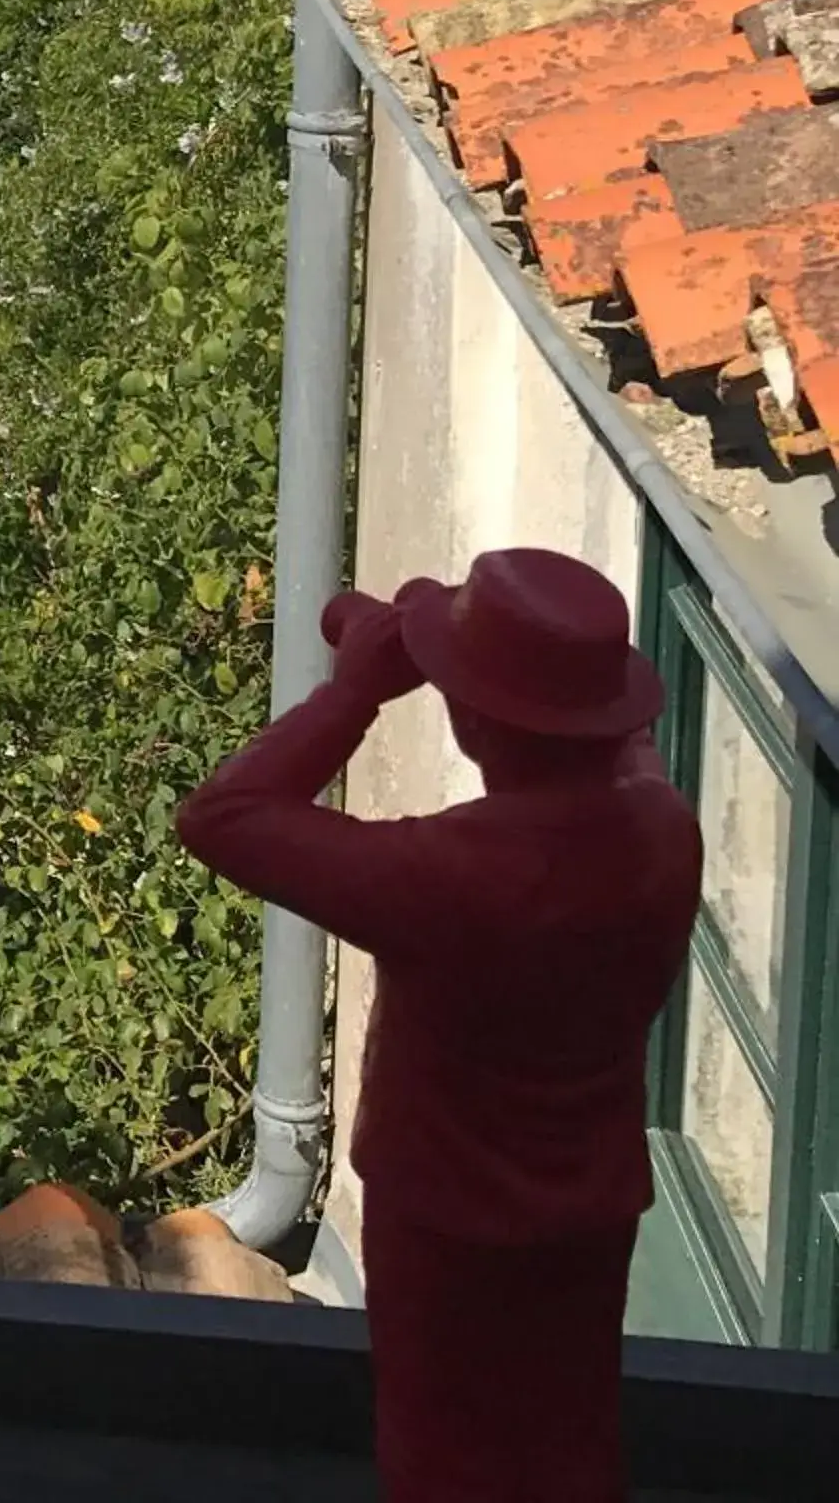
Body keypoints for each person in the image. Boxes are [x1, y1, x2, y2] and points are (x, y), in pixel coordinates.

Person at [177, 548, 702, 1501]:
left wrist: (363, 686)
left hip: (448, 1218)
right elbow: (613, 742)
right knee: (573, 1442)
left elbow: (223, 816)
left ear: (468, 717)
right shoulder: (666, 831)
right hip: (591, 1203)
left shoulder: (448, 874)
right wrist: (449, 633)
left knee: (439, 1452)